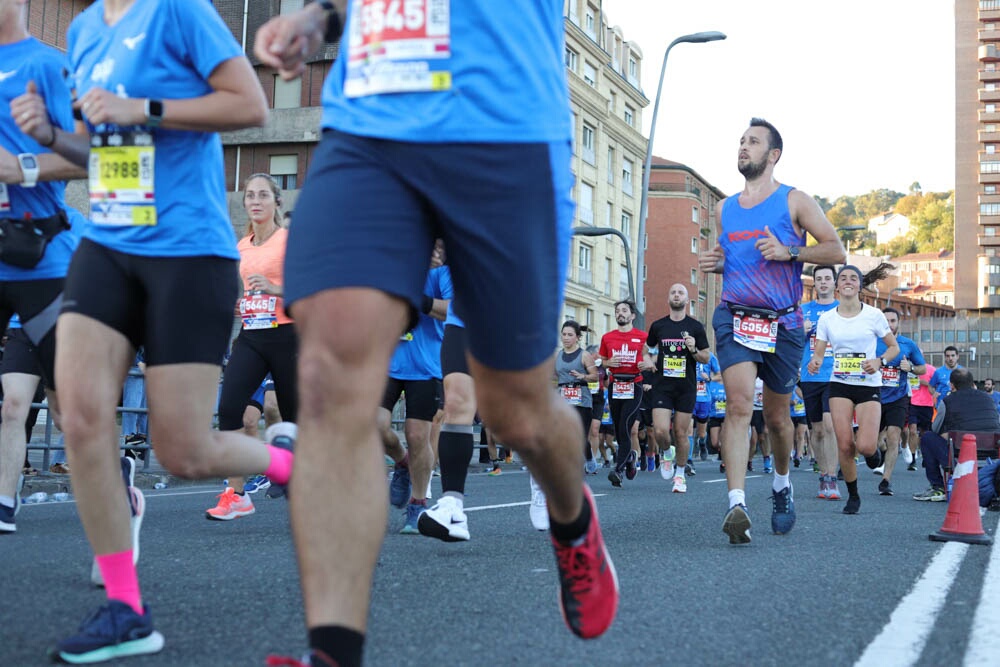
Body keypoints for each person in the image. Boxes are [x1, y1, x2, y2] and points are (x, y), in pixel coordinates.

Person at [254, 3, 620, 664]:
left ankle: (572, 516)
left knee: (517, 413)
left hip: (501, 122)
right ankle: (332, 650)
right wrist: (324, 18)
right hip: (372, 114)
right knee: (329, 369)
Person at [14, 1, 297, 661]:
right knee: (81, 414)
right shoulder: (84, 32)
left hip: (188, 249)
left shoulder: (178, 11)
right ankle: (125, 608)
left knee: (185, 451)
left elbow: (249, 105)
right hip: (109, 242)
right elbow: (100, 146)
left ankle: (291, 462)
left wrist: (143, 107)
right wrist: (53, 137)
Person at [699, 117, 846, 545]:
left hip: (782, 322)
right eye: (741, 141)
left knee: (779, 420)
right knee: (740, 406)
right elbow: (740, 260)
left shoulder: (794, 200)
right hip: (734, 316)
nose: (743, 147)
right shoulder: (725, 208)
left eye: (753, 142)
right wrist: (718, 264)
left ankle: (782, 484)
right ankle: (737, 504)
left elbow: (836, 249)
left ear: (773, 154)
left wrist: (791, 252)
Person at [0, 2, 88, 535]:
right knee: (12, 404)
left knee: (70, 414)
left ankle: (116, 504)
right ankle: (4, 501)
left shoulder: (47, 66)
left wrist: (23, 166)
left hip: (40, 263)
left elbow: (90, 155)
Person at [207, 173, 299, 520]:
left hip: (289, 335)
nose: (255, 201)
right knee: (230, 408)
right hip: (251, 334)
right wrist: (240, 301)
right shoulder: (241, 246)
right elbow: (244, 288)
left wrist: (276, 290)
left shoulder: (291, 241)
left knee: (294, 419)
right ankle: (237, 493)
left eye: (263, 195)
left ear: (278, 202)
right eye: (249, 195)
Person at [807, 264, 899, 515]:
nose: (848, 281)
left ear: (860, 285)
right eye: (843, 278)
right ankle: (853, 495)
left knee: (867, 445)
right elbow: (818, 352)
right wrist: (814, 362)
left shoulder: (874, 315)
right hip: (840, 384)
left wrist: (879, 362)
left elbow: (894, 349)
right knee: (845, 444)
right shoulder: (827, 319)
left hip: (868, 384)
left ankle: (872, 456)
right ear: (838, 286)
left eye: (853, 278)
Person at [380, 242, 450, 533]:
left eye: (438, 247)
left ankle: (417, 503)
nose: (432, 251)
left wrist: (419, 300)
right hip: (388, 360)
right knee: (375, 425)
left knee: (418, 434)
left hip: (426, 365)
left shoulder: (445, 274)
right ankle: (401, 462)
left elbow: (451, 311)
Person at [643, 283, 710, 493]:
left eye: (680, 293)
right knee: (661, 430)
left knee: (681, 433)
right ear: (668, 298)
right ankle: (666, 453)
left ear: (686, 299)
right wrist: (649, 361)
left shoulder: (696, 327)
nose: (676, 295)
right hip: (662, 385)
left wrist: (693, 349)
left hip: (686, 387)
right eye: (673, 292)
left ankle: (680, 475)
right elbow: (646, 349)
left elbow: (705, 357)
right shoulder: (658, 326)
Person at [913, 368, 1000, 501]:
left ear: (952, 385)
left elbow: (935, 428)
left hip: (959, 455)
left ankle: (938, 487)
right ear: (973, 384)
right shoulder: (989, 400)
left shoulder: (947, 401)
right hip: (990, 453)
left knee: (928, 437)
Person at [798, 265, 841, 500]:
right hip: (810, 375)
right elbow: (789, 341)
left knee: (829, 425)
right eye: (819, 279)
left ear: (834, 283)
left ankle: (832, 477)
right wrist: (800, 332)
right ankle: (823, 474)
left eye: (827, 278)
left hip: (835, 375)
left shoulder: (842, 310)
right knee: (816, 429)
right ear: (814, 283)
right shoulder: (803, 311)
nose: (823, 282)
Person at [873, 307, 926, 497]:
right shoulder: (871, 341)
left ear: (898, 323)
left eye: (893, 321)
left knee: (894, 436)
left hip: (898, 397)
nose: (889, 324)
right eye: (885, 320)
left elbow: (922, 368)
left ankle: (886, 480)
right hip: (874, 397)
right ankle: (876, 455)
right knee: (872, 442)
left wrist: (910, 367)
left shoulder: (907, 344)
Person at [600, 300, 649, 488]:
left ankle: (618, 470)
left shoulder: (642, 337)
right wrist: (607, 363)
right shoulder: (607, 338)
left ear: (632, 316)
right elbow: (602, 362)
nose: (620, 313)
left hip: (634, 385)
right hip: (615, 385)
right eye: (617, 311)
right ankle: (630, 457)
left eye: (624, 310)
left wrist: (648, 364)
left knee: (626, 426)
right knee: (619, 426)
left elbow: (651, 358)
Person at [554, 320, 599, 474]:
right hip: (563, 399)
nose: (566, 338)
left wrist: (582, 376)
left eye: (570, 335)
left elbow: (595, 377)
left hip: (582, 400)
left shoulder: (584, 355)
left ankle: (588, 457)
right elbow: (554, 377)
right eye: (564, 334)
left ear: (577, 337)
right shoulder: (557, 355)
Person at [906, 361, 936, 470]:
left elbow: (936, 385)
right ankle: (912, 459)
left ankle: (925, 455)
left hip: (927, 404)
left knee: (925, 433)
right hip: (912, 403)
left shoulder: (931, 369)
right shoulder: (909, 368)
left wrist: (925, 383)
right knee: (913, 431)